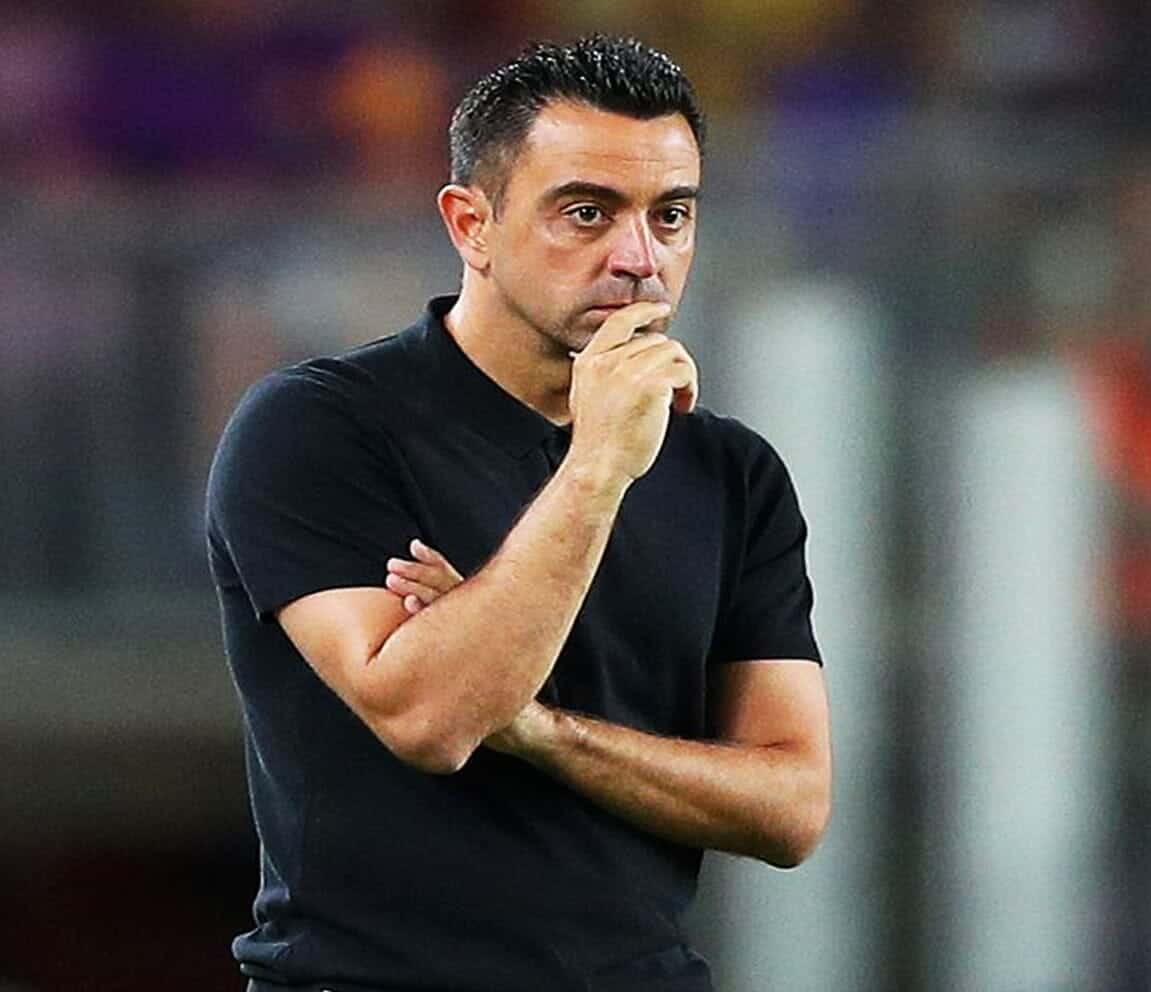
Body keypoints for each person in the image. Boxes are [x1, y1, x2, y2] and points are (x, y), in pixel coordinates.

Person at [207, 35, 831, 992]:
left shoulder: (731, 472)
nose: (640, 259)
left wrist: (540, 729)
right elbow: (432, 718)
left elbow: (790, 805)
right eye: (587, 213)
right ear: (473, 226)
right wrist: (598, 466)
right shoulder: (318, 428)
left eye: (671, 216)